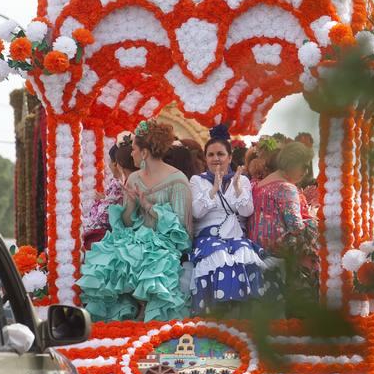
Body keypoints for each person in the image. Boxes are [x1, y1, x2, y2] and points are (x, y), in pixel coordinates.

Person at [77, 120, 192, 322]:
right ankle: (124, 318)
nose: (131, 154)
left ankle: (147, 316)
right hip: (136, 240)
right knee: (107, 259)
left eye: (134, 150)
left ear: (145, 153)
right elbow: (128, 223)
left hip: (165, 245)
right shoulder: (134, 179)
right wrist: (129, 205)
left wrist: (147, 205)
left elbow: (181, 229)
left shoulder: (178, 180)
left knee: (149, 262)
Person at [189, 124, 266, 315]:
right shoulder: (197, 181)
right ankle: (216, 311)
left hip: (236, 235)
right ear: (205, 158)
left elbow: (247, 211)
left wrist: (238, 187)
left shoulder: (242, 180)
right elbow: (197, 212)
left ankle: (244, 312)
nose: (216, 159)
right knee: (219, 254)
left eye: (220, 154)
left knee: (244, 253)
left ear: (229, 157)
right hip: (208, 236)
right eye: (211, 154)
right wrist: (214, 188)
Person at [248, 141, 319, 304]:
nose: (305, 171)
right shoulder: (286, 187)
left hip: (257, 247)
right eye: (304, 166)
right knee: (314, 231)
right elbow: (296, 227)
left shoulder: (260, 185)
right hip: (279, 248)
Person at [82, 138, 137, 251]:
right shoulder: (124, 182)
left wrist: (103, 202)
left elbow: (104, 218)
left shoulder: (121, 184)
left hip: (114, 239)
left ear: (117, 164)